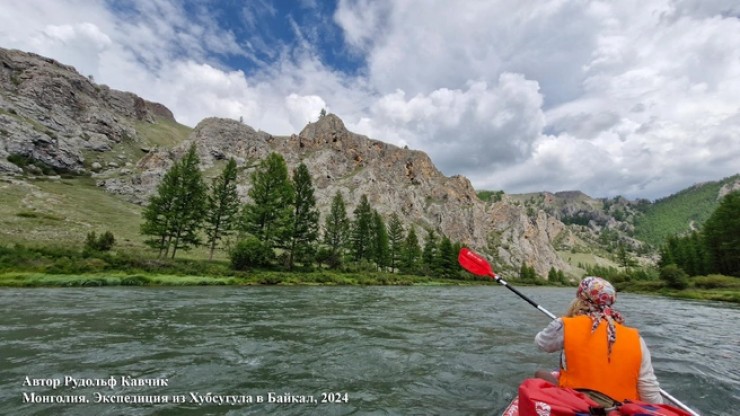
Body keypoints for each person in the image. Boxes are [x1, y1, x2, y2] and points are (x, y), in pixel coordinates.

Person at [534, 276, 663, 403]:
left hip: (578, 408)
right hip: (620, 411)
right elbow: (649, 391)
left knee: (540, 374)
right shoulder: (636, 339)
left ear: (581, 300)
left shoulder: (566, 325)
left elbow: (541, 343)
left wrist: (563, 322)